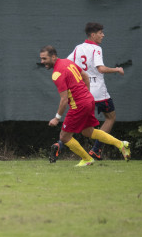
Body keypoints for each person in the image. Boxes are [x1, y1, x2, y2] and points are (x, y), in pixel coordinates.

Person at [39, 45, 130, 167]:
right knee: (88, 132)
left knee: (64, 137)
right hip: (88, 100)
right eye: (41, 59)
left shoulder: (57, 74)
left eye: (44, 58)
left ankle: (87, 159)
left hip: (79, 105)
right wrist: (86, 94)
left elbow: (64, 100)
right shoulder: (67, 62)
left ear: (53, 57)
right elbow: (85, 76)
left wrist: (57, 118)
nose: (42, 61)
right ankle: (121, 144)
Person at [51, 23, 125, 161]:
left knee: (81, 126)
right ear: (93, 34)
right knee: (110, 117)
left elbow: (67, 63)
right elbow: (100, 69)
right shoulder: (97, 49)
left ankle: (60, 144)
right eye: (100, 32)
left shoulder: (78, 48)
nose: (103, 35)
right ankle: (96, 150)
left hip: (82, 93)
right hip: (98, 93)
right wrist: (117, 69)